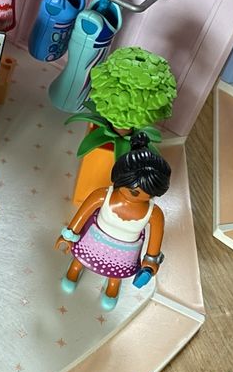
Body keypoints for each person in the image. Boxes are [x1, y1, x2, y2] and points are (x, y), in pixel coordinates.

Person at [55, 131, 170, 310]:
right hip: (95, 237)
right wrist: (69, 235)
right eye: (134, 191)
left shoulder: (154, 213)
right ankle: (75, 268)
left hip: (125, 251)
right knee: (81, 258)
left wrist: (150, 261)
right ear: (120, 179)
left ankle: (113, 284)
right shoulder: (103, 196)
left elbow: (155, 241)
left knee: (116, 272)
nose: (139, 197)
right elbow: (82, 214)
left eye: (148, 193)